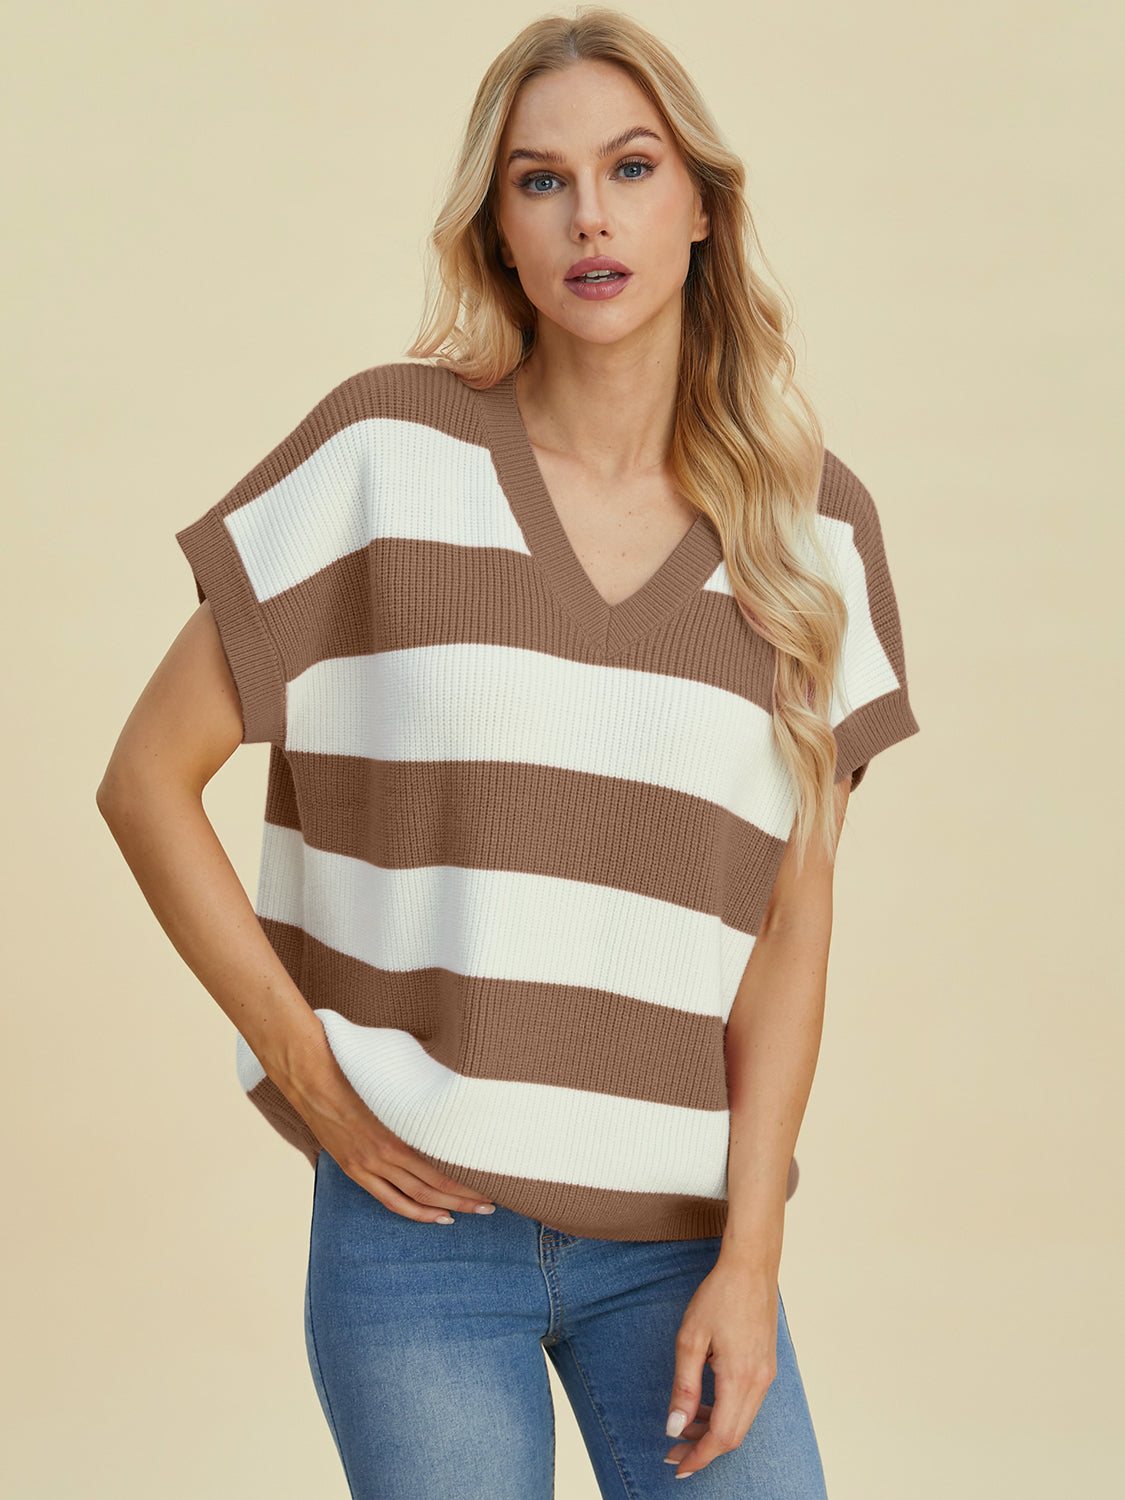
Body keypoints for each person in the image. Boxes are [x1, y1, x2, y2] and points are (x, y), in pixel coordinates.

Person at [97, 7, 920, 1496]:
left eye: (631, 168)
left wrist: (752, 1258)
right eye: (542, 181)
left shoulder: (814, 533)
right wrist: (312, 1075)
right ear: (498, 230)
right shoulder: (382, 454)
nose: (590, 215)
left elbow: (791, 934)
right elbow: (144, 779)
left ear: (701, 208)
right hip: (422, 1243)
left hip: (679, 1244)